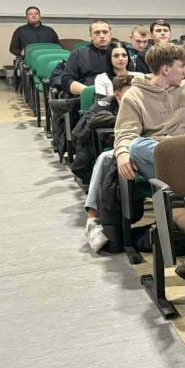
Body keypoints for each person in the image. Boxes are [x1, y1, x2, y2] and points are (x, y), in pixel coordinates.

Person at [113, 43, 185, 279]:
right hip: (163, 161)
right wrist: (122, 153)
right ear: (166, 69)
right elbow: (125, 134)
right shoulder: (134, 95)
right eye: (181, 66)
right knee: (137, 146)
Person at [82, 75, 136, 251]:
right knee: (105, 158)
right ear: (118, 95)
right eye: (130, 92)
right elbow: (92, 120)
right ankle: (93, 221)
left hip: (144, 146)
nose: (135, 95)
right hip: (122, 148)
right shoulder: (106, 103)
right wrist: (123, 119)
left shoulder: (145, 101)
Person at [62, 20, 113, 96]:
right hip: (88, 94)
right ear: (91, 35)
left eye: (105, 32)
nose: (102, 35)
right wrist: (89, 92)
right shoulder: (79, 53)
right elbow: (66, 80)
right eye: (97, 33)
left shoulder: (119, 53)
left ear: (111, 34)